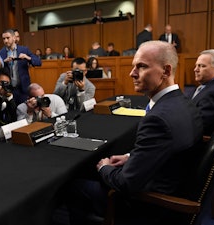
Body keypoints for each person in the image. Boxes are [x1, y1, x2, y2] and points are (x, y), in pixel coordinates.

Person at [61, 41, 203, 225]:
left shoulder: (157, 120)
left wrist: (105, 167)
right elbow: (169, 148)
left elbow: (126, 184)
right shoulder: (186, 102)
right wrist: (131, 157)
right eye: (133, 66)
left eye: (141, 67)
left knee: (74, 183)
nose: (132, 73)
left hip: (151, 206)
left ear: (166, 71)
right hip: (173, 180)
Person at [0, 29, 42, 105]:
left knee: (24, 111)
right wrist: (3, 62)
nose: (5, 41)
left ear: (14, 38)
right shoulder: (1, 53)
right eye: (3, 39)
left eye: (8, 38)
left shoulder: (24, 50)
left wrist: (27, 57)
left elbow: (38, 62)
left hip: (23, 89)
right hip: (8, 90)